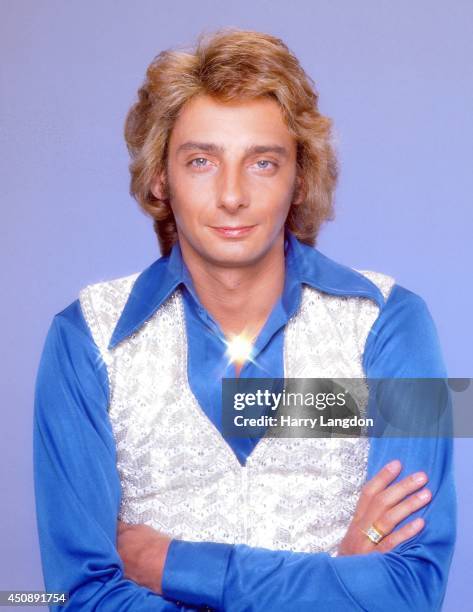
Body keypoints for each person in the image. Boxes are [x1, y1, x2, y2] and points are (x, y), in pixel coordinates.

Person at [33, 28, 456, 611]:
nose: (232, 195)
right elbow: (80, 596)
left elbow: (410, 591)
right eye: (202, 160)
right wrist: (340, 578)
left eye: (262, 162)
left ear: (299, 178)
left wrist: (170, 563)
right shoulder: (86, 338)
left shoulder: (392, 324)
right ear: (162, 177)